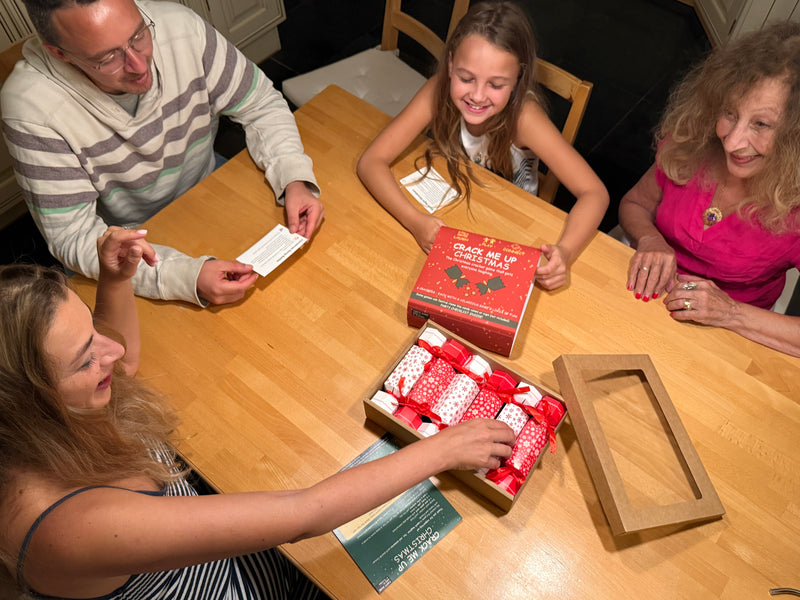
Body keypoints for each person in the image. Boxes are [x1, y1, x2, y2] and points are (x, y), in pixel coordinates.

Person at [0, 227, 516, 599]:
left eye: (92, 326)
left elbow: (121, 361)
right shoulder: (70, 527)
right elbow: (306, 514)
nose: (110, 353)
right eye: (85, 358)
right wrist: (444, 448)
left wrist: (115, 281)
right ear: (30, 402)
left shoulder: (48, 417)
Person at [1, 0, 324, 307]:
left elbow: (259, 104)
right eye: (108, 58)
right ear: (60, 54)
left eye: (139, 35)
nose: (140, 65)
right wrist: (182, 277)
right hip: (126, 242)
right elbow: (74, 236)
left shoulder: (179, 26)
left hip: (207, 185)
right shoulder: (30, 108)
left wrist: (293, 176)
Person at [356, 1, 608, 290]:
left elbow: (594, 193)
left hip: (512, 230)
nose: (477, 95)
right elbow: (371, 161)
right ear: (450, 65)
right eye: (466, 78)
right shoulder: (437, 90)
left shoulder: (525, 119)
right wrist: (414, 221)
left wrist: (565, 251)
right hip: (459, 214)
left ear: (517, 80)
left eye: (496, 85)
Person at [618, 21, 800, 357]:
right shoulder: (692, 142)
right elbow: (634, 204)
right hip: (640, 299)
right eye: (730, 113)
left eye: (760, 124)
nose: (732, 142)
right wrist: (650, 238)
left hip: (724, 341)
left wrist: (729, 312)